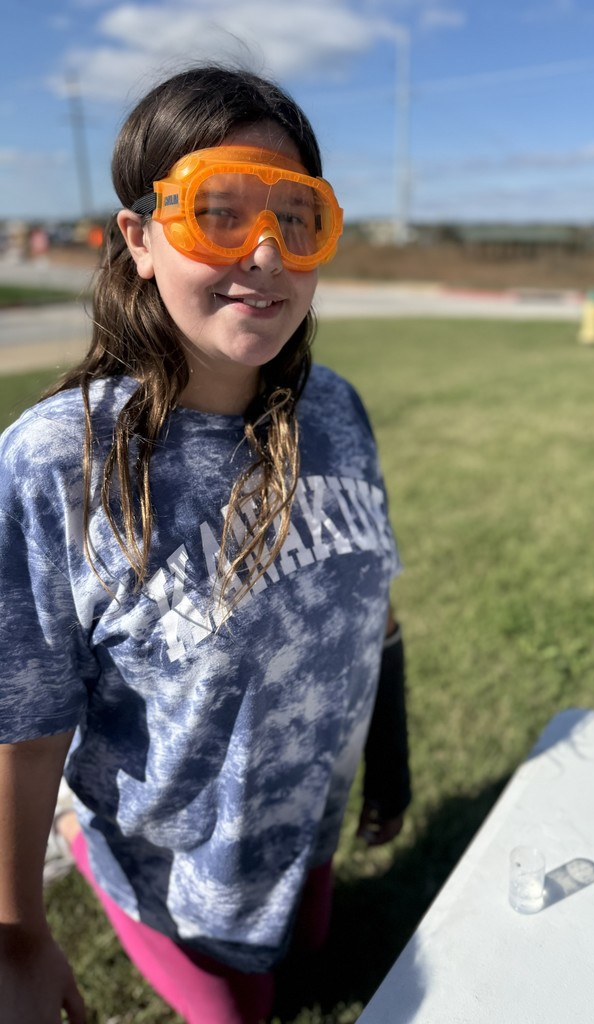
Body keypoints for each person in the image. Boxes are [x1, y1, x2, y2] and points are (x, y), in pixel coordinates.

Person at [0, 64, 410, 1024]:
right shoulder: (61, 463)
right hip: (177, 872)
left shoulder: (337, 410)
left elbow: (372, 605)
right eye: (219, 213)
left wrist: (387, 754)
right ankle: (85, 835)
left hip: (305, 830)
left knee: (311, 957)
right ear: (138, 239)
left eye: (296, 217)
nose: (265, 254)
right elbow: (20, 719)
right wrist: (16, 929)